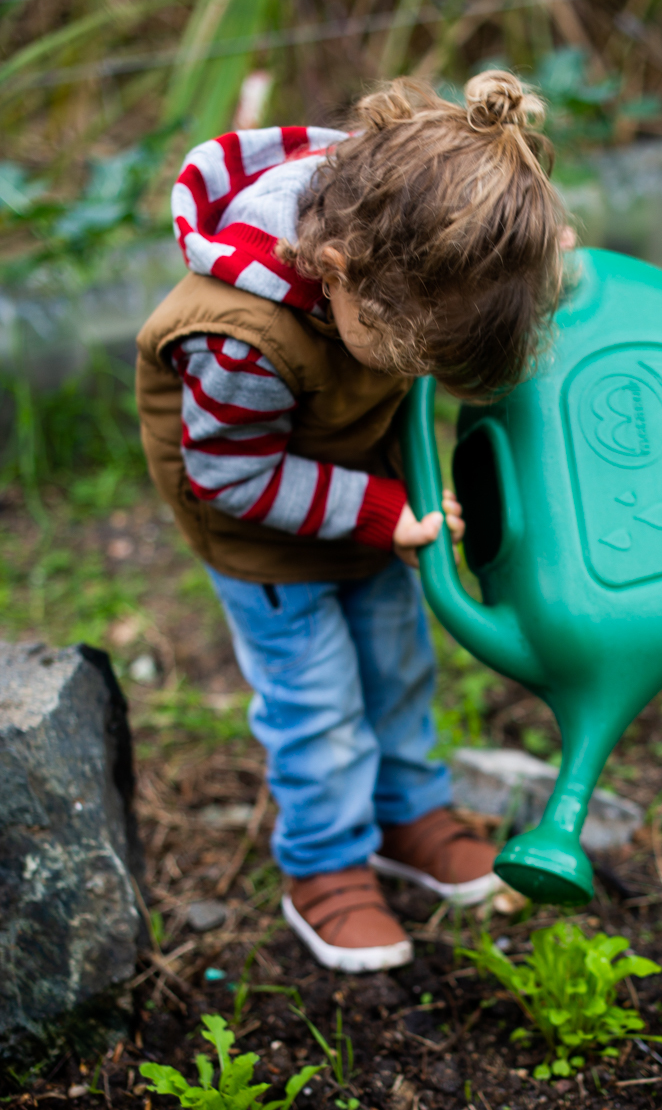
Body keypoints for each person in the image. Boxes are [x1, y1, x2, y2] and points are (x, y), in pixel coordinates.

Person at [136, 71, 565, 973]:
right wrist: (381, 513)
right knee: (317, 704)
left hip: (362, 493)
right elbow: (229, 475)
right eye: (409, 354)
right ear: (334, 274)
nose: (415, 369)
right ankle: (324, 864)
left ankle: (407, 817)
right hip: (264, 533)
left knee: (397, 667)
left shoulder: (418, 222)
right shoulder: (239, 340)